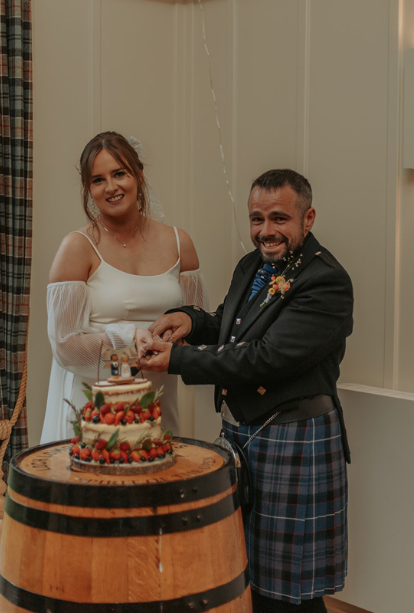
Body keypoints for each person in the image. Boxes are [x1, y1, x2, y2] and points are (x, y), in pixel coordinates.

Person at [139, 169, 352, 612]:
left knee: (289, 594)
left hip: (295, 440)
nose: (266, 231)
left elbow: (264, 357)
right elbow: (233, 326)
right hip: (248, 434)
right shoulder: (252, 264)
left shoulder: (326, 281)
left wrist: (176, 360)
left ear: (307, 218)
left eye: (279, 218)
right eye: (257, 219)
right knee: (249, 577)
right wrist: (194, 322)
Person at [40, 132, 208, 444]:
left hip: (158, 395)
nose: (111, 187)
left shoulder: (179, 242)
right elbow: (64, 346)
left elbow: (198, 325)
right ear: (89, 189)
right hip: (93, 404)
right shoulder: (77, 247)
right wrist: (127, 340)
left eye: (120, 173)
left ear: (139, 175)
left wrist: (175, 342)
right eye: (98, 179)